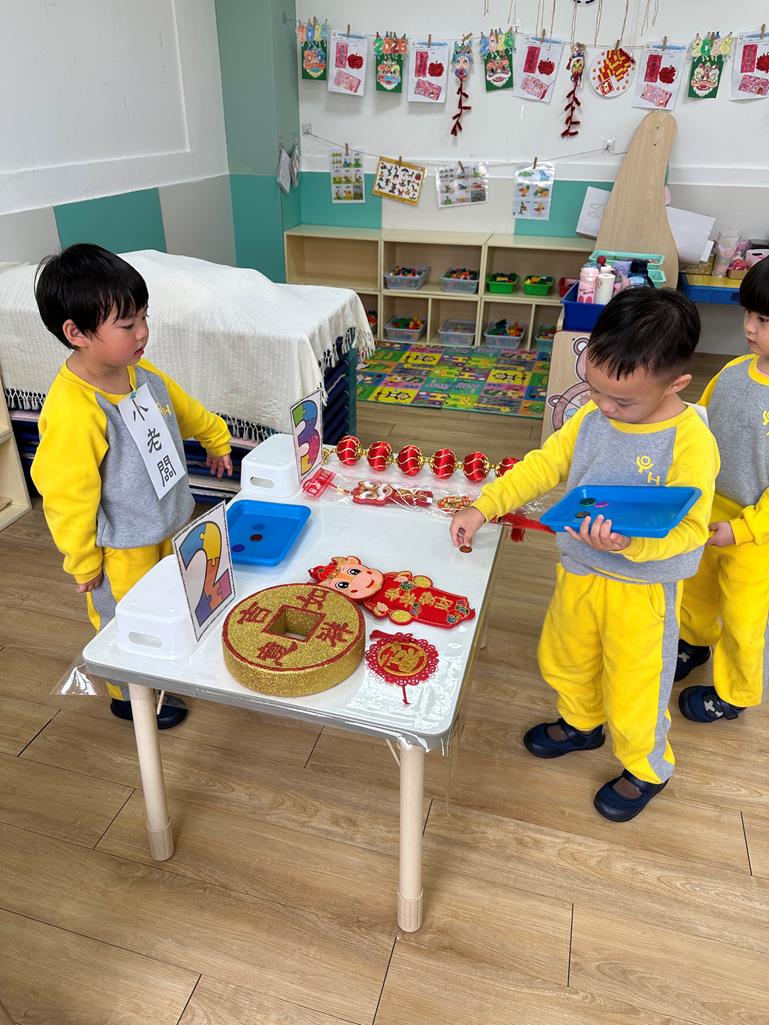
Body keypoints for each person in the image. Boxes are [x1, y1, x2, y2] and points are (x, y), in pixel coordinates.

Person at [450, 288, 718, 822]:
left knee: (636, 685)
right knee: (566, 657)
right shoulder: (594, 416)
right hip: (579, 570)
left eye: (623, 402)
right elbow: (543, 464)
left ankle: (647, 767)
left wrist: (632, 544)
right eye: (595, 390)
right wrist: (485, 506)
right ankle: (581, 723)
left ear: (676, 384)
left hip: (642, 591)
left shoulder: (690, 441)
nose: (605, 407)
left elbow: (693, 530)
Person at [31, 243, 233, 728]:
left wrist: (215, 438)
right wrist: (82, 559)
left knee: (174, 599)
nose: (142, 332)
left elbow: (181, 406)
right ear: (76, 333)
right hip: (123, 546)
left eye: (144, 316)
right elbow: (66, 494)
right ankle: (130, 695)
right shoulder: (74, 410)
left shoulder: (139, 375)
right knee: (128, 617)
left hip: (169, 522)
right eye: (126, 324)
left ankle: (166, 667)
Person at [675, 257, 769, 723]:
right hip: (708, 510)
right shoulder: (733, 371)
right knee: (695, 587)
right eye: (749, 313)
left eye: (764, 319)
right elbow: (699, 425)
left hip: (757, 534)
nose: (749, 327)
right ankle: (693, 643)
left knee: (742, 618)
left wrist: (745, 529)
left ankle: (736, 692)